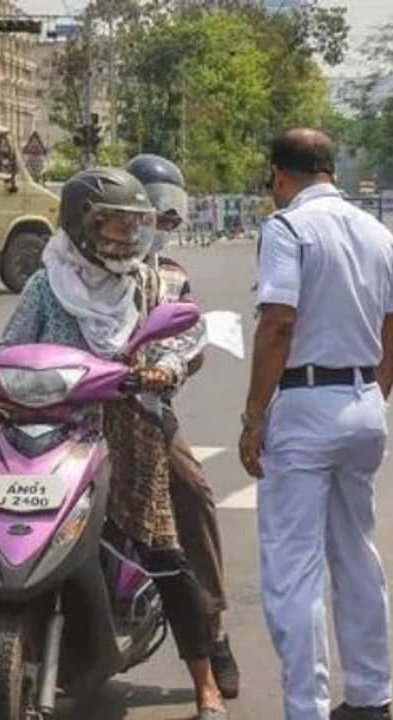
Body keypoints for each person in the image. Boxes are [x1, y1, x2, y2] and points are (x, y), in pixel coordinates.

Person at [0, 167, 228, 719]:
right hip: (48, 415)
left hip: (127, 415)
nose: (126, 236)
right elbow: (14, 343)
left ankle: (206, 672)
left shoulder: (151, 281)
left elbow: (181, 339)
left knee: (162, 537)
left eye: (132, 225)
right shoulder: (49, 281)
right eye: (113, 225)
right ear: (81, 226)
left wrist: (162, 369)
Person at [239, 129, 393, 720]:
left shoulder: (286, 229)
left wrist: (254, 416)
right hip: (362, 401)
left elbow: (278, 322)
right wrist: (373, 397)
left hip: (305, 404)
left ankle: (303, 707)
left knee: (294, 567)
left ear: (280, 176)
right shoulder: (379, 233)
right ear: (331, 171)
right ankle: (369, 695)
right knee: (357, 554)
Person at [125, 152, 240, 699]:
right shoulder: (75, 266)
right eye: (149, 212)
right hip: (71, 409)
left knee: (192, 494)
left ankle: (213, 630)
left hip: (142, 410)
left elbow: (185, 336)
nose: (158, 226)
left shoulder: (170, 275)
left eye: (168, 215)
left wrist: (168, 366)